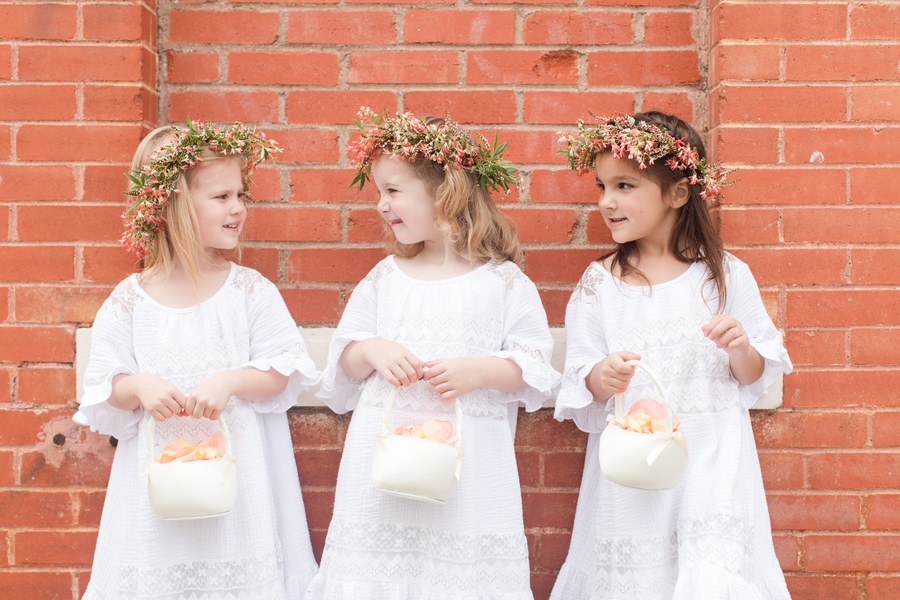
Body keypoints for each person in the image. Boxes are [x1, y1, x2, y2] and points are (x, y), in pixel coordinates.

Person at [304, 109, 560, 599]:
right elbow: (344, 364)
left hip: (468, 471)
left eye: (394, 191)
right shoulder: (384, 278)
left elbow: (535, 369)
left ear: (445, 192)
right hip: (382, 469)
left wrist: (481, 369)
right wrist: (372, 350)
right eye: (378, 191)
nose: (381, 205)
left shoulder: (502, 282)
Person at [551, 112, 792, 599]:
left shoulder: (724, 275)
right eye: (601, 185)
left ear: (678, 193)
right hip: (633, 469)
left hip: (712, 456)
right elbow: (579, 377)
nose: (606, 201)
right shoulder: (601, 284)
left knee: (710, 574)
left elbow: (755, 374)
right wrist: (603, 375)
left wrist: (741, 346)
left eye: (624, 185)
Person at [75, 120, 321, 599]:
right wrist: (139, 385)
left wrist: (231, 381)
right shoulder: (131, 301)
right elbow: (106, 384)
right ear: (173, 206)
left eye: (239, 194)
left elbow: (281, 370)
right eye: (221, 197)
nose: (238, 209)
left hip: (239, 480)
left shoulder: (249, 292)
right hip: (161, 486)